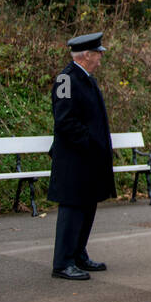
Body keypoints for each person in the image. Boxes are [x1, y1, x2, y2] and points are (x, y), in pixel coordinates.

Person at [49, 32, 115, 281]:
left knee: (87, 207)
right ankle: (63, 262)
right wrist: (88, 143)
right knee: (72, 209)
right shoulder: (66, 79)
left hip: (89, 160)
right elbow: (64, 120)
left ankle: (78, 254)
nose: (100, 58)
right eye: (98, 53)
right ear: (86, 55)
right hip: (74, 160)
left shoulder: (87, 79)